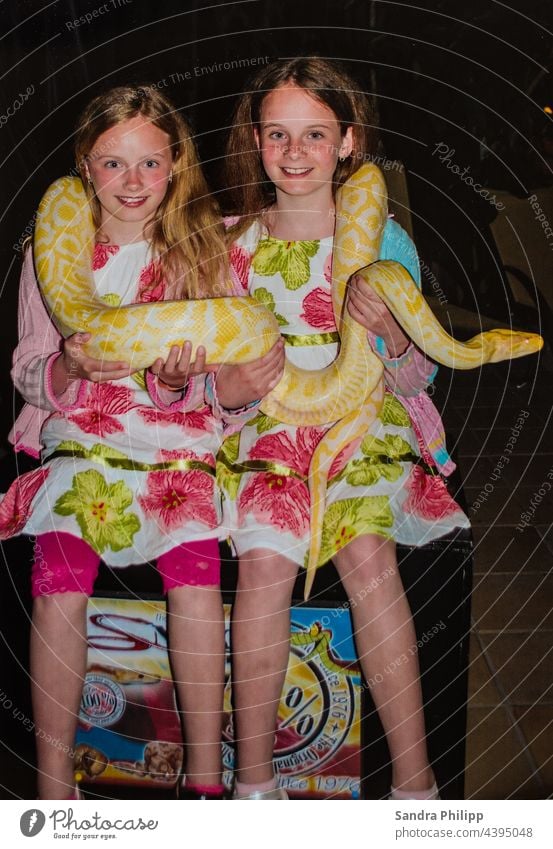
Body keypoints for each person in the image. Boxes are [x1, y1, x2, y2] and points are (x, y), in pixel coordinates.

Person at [1, 84, 283, 800]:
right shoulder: (53, 251)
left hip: (172, 444)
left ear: (176, 165)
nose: (132, 183)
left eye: (150, 164)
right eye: (112, 164)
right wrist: (66, 364)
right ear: (84, 169)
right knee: (58, 577)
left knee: (194, 577)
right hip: (82, 440)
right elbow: (28, 368)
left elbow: (216, 388)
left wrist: (172, 381)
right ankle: (54, 785)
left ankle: (206, 780)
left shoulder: (199, 256)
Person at [218, 57, 470, 800]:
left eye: (314, 134)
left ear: (348, 141)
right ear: (256, 141)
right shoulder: (231, 243)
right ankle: (253, 787)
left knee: (367, 555)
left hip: (362, 418)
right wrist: (229, 388)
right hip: (269, 425)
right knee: (264, 561)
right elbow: (216, 377)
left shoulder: (384, 240)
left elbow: (417, 373)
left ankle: (415, 787)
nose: (294, 153)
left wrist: (392, 336)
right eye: (277, 134)